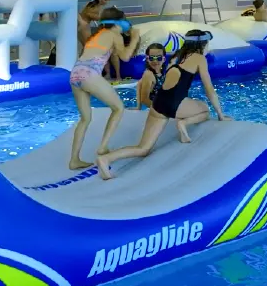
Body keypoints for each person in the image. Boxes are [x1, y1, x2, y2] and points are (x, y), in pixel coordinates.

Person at [96, 30, 229, 180]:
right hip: (175, 103)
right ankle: (184, 124)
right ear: (201, 44)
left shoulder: (175, 56)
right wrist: (220, 114)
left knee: (143, 148)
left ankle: (106, 159)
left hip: (158, 104)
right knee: (204, 109)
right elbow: (209, 89)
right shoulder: (199, 58)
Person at [68, 7, 141, 170]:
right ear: (120, 22)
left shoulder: (98, 35)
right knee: (118, 108)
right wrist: (135, 37)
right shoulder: (115, 35)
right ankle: (103, 147)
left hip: (75, 73)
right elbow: (125, 57)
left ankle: (74, 160)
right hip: (90, 74)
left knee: (85, 119)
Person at [136, 43, 166, 110]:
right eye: (152, 58)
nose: (155, 61)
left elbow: (139, 85)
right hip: (152, 110)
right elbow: (144, 100)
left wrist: (138, 107)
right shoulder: (148, 74)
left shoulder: (159, 73)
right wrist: (163, 110)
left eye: (159, 58)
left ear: (164, 59)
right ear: (147, 59)